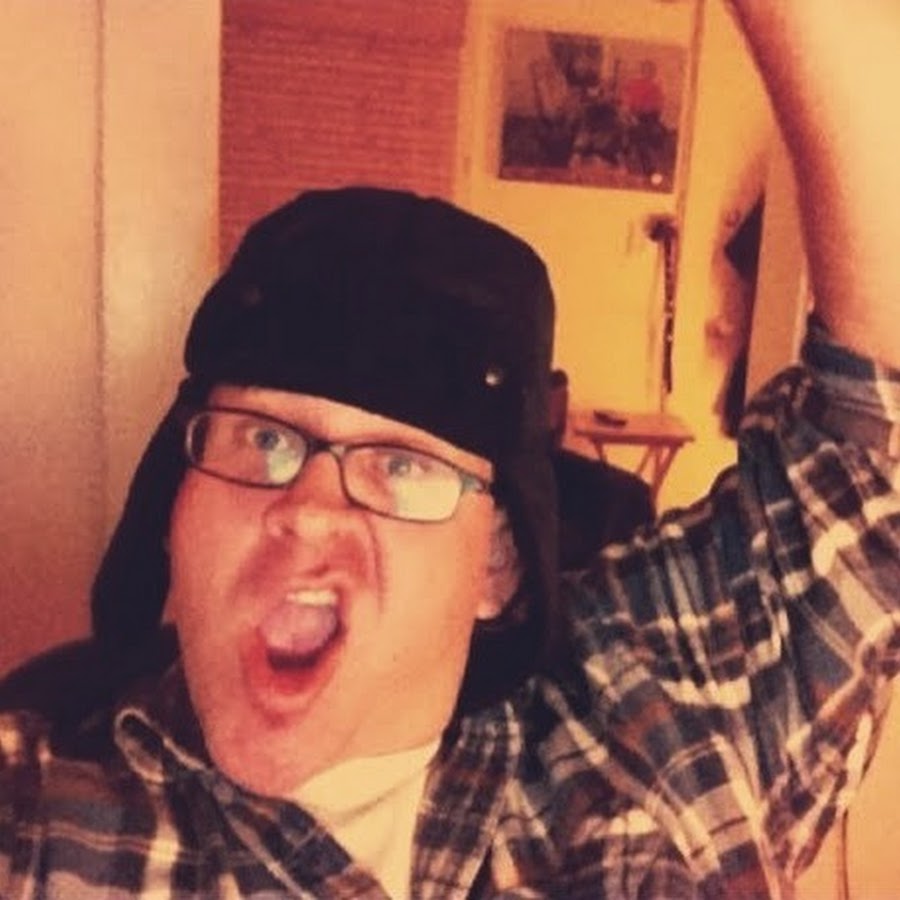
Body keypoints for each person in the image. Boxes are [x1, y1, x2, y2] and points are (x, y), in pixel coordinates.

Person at [2, 1, 900, 896]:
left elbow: (874, 422)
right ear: (175, 511)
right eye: (264, 438)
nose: (309, 512)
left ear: (496, 564)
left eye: (401, 466)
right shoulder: (42, 819)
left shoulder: (663, 715)